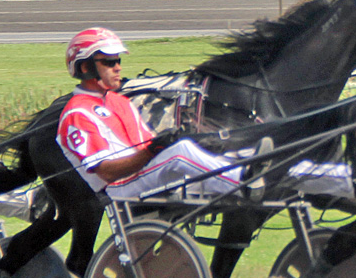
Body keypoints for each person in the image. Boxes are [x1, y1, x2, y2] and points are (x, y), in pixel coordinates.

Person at [57, 27, 271, 203]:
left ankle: (291, 178)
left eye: (118, 60)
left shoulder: (119, 101)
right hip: (120, 187)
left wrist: (165, 142)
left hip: (145, 174)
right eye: (109, 62)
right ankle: (241, 184)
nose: (118, 68)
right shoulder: (77, 113)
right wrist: (154, 149)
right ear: (85, 67)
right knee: (181, 152)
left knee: (228, 148)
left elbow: (146, 146)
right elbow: (107, 173)